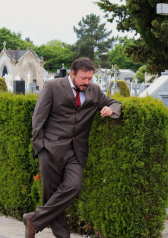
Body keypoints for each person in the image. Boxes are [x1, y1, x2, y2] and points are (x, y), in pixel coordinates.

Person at [23, 58, 121, 238]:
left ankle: (33, 220)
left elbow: (115, 103)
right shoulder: (52, 87)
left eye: (90, 78)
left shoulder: (95, 90)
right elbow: (38, 118)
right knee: (52, 196)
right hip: (50, 150)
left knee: (73, 187)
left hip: (77, 151)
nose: (87, 82)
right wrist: (41, 148)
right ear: (73, 73)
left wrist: (111, 110)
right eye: (83, 78)